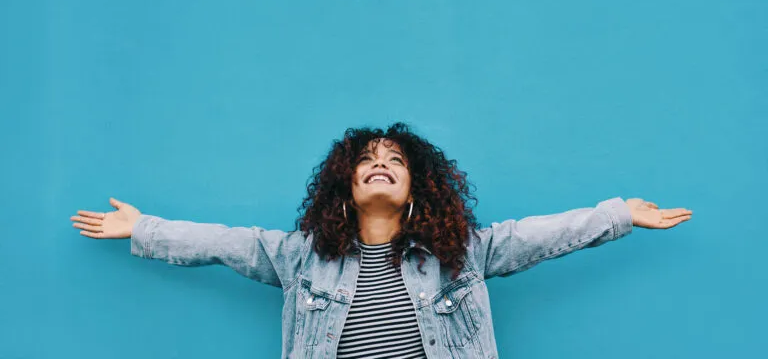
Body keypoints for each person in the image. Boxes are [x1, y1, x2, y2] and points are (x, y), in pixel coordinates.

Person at [70, 122, 692, 359]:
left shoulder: (462, 252)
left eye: (395, 159)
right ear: (346, 183)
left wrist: (619, 213)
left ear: (416, 183)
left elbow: (537, 235)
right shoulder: (299, 257)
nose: (381, 163)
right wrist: (143, 227)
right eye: (366, 159)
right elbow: (227, 242)